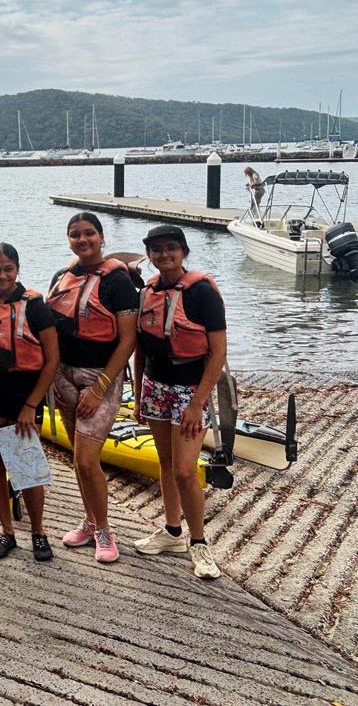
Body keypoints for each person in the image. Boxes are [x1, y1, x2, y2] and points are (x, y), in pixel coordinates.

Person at [131, 224, 227, 580]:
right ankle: (172, 532)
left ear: (184, 251)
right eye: (156, 250)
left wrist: (197, 403)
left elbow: (218, 354)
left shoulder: (202, 292)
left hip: (190, 390)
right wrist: (139, 394)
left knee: (186, 471)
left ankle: (198, 542)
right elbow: (141, 350)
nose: (164, 255)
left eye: (171, 247)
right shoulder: (147, 293)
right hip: (155, 386)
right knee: (167, 461)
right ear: (149, 255)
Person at [47, 212, 138, 564]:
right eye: (75, 235)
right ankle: (89, 521)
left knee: (87, 460)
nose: (82, 240)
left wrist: (100, 388)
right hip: (64, 375)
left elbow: (128, 341)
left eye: (89, 233)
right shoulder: (62, 276)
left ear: (101, 238)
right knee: (78, 459)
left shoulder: (117, 281)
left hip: (100, 377)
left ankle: (105, 531)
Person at [0, 243, 61, 563]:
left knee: (26, 465)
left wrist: (31, 404)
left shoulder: (35, 308)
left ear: (17, 269)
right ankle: (6, 530)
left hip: (24, 392)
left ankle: (38, 532)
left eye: (8, 268)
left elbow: (52, 360)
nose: (3, 275)